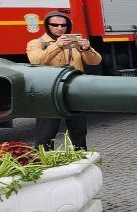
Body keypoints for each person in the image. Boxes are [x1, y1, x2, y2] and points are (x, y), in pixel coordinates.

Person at [27, 10, 102, 150]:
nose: (60, 28)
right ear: (47, 25)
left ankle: (81, 160)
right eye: (55, 25)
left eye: (63, 25)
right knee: (46, 134)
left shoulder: (74, 42)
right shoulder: (36, 43)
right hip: (49, 94)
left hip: (73, 92)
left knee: (79, 132)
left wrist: (87, 49)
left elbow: (95, 61)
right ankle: (45, 165)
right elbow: (36, 61)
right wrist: (57, 46)